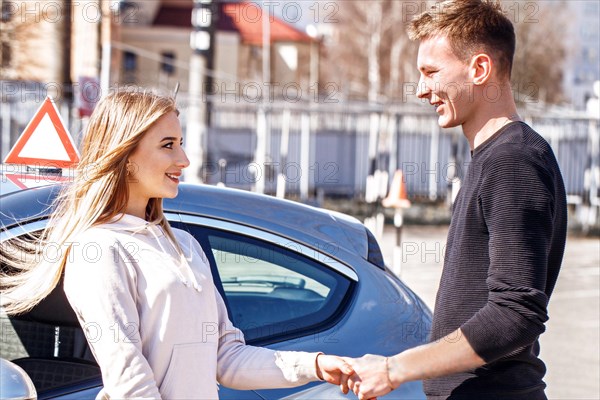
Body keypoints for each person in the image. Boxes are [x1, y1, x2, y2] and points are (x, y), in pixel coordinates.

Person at [1, 89, 353, 399]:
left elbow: (226, 358)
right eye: (168, 145)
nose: (183, 160)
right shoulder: (98, 250)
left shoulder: (184, 245)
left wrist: (316, 365)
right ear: (124, 158)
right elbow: (129, 380)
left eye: (181, 144)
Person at [345, 1, 567, 399]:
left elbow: (515, 314)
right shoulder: (495, 158)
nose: (420, 89)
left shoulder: (513, 161)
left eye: (431, 72)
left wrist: (395, 369)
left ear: (479, 69)